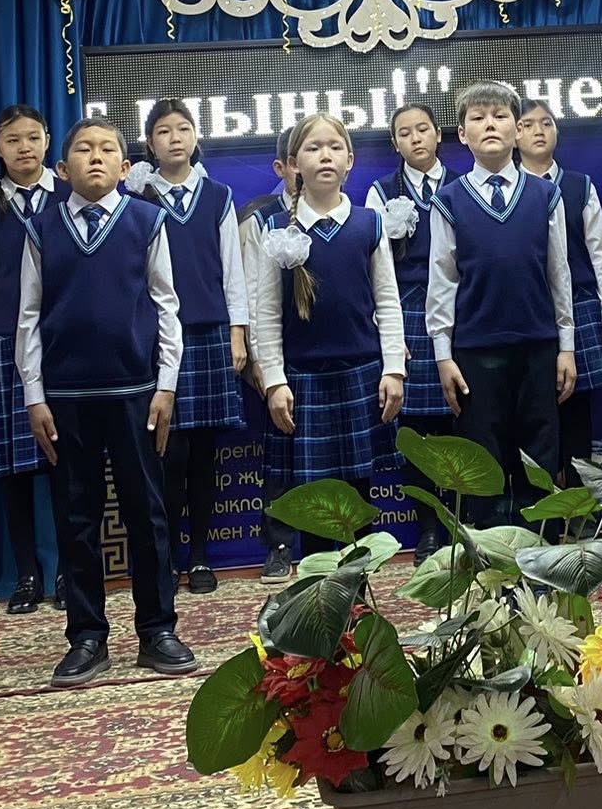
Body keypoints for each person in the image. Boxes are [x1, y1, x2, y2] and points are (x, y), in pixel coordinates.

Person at [14, 117, 197, 688]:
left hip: (136, 394)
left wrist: (166, 384)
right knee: (76, 518)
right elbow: (28, 316)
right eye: (83, 149)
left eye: (107, 149)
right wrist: (34, 395)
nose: (95, 157)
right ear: (61, 167)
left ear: (125, 166)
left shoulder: (146, 221)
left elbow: (167, 307)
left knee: (148, 513)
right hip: (66, 398)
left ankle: (157, 630)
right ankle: (87, 637)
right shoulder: (40, 228)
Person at [252, 114, 406, 552]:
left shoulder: (369, 224)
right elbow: (266, 314)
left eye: (335, 147)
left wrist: (393, 369)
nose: (325, 155)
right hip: (302, 383)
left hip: (361, 376)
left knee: (358, 501)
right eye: (313, 147)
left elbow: (387, 302)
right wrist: (274, 381)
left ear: (350, 160)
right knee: (314, 506)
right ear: (294, 163)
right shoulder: (276, 230)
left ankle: (359, 589)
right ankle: (320, 589)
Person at [426, 83, 575, 521]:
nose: (489, 124)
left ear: (518, 129)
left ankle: (542, 559)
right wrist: (443, 355)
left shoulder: (545, 195)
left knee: (539, 463)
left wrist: (566, 347)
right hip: (475, 353)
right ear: (462, 134)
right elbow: (442, 281)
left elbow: (559, 275)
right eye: (478, 118)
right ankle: (490, 560)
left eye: (500, 116)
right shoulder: (448, 201)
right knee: (484, 468)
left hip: (538, 348)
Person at [135, 100, 250, 594]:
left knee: (204, 454)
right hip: (160, 339)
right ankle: (165, 557)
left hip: (209, 334)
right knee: (167, 453)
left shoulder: (218, 195)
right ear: (150, 144)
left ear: (196, 136)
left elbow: (232, 269)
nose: (175, 138)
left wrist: (238, 330)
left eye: (183, 128)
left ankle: (200, 556)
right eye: (164, 131)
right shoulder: (136, 198)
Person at [0, 104, 57, 615]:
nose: (24, 147)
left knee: (67, 463)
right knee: (16, 470)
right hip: (3, 341)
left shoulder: (67, 194)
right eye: (13, 140)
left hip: (60, 338)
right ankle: (26, 574)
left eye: (33, 137)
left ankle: (68, 570)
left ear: (47, 142)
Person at [365, 103, 454, 559]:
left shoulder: (463, 183)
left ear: (438, 134)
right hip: (406, 309)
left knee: (459, 422)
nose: (415, 138)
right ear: (395, 143)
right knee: (417, 429)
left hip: (459, 307)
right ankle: (429, 529)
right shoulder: (382, 192)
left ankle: (462, 524)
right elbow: (374, 267)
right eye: (405, 132)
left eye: (423, 129)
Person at [516, 98, 602, 476]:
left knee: (577, 413)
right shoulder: (506, 190)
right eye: (528, 124)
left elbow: (600, 254)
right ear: (514, 134)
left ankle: (580, 499)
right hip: (529, 310)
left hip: (580, 303)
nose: (538, 131)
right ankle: (541, 501)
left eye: (547, 123)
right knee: (533, 412)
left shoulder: (580, 186)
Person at [238, 127, 300, 583]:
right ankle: (278, 546)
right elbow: (249, 295)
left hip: (327, 355)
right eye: (297, 157)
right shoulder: (259, 218)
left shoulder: (345, 211)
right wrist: (260, 362)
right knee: (281, 459)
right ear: (282, 167)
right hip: (275, 356)